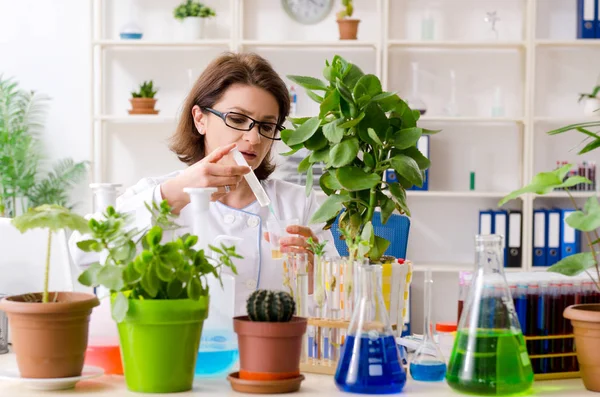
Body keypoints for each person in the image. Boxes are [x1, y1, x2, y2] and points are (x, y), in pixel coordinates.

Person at [72, 52, 337, 315]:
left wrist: (317, 275)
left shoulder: (297, 202)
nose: (254, 138)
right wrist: (173, 195)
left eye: (267, 126)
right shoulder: (159, 192)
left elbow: (342, 302)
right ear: (200, 119)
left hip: (275, 353)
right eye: (237, 119)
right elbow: (84, 253)